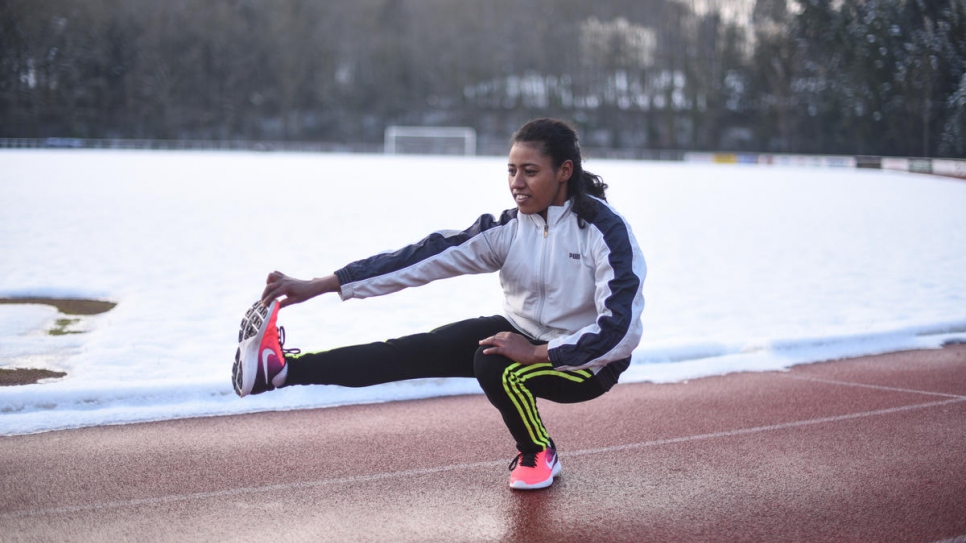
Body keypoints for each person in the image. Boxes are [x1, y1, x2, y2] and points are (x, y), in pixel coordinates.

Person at [232, 118, 647, 490]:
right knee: (409, 352)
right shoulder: (508, 229)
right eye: (511, 170)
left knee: (494, 363)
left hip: (589, 363)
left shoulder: (604, 231)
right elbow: (422, 258)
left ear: (564, 171)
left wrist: (538, 352)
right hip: (524, 334)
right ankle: (281, 371)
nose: (516, 182)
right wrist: (324, 284)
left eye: (530, 171)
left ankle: (538, 452)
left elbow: (620, 329)